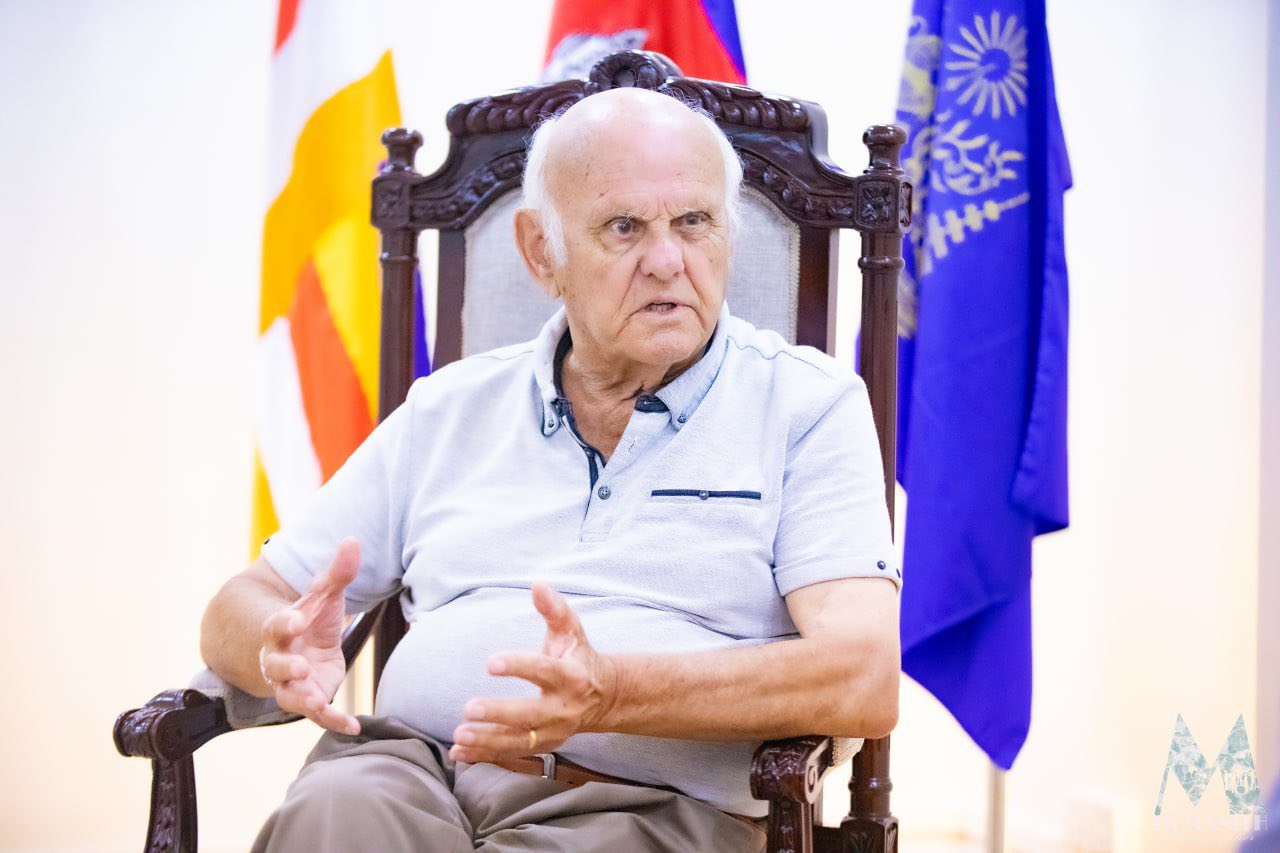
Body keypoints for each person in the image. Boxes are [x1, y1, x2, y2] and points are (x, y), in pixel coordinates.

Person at [201, 86, 902, 852]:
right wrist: (273, 643)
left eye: (694, 222)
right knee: (330, 812)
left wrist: (612, 693)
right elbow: (245, 600)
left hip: (647, 809)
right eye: (624, 227)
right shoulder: (450, 407)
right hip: (409, 768)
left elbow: (862, 676)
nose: (667, 260)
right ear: (542, 252)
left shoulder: (807, 405)